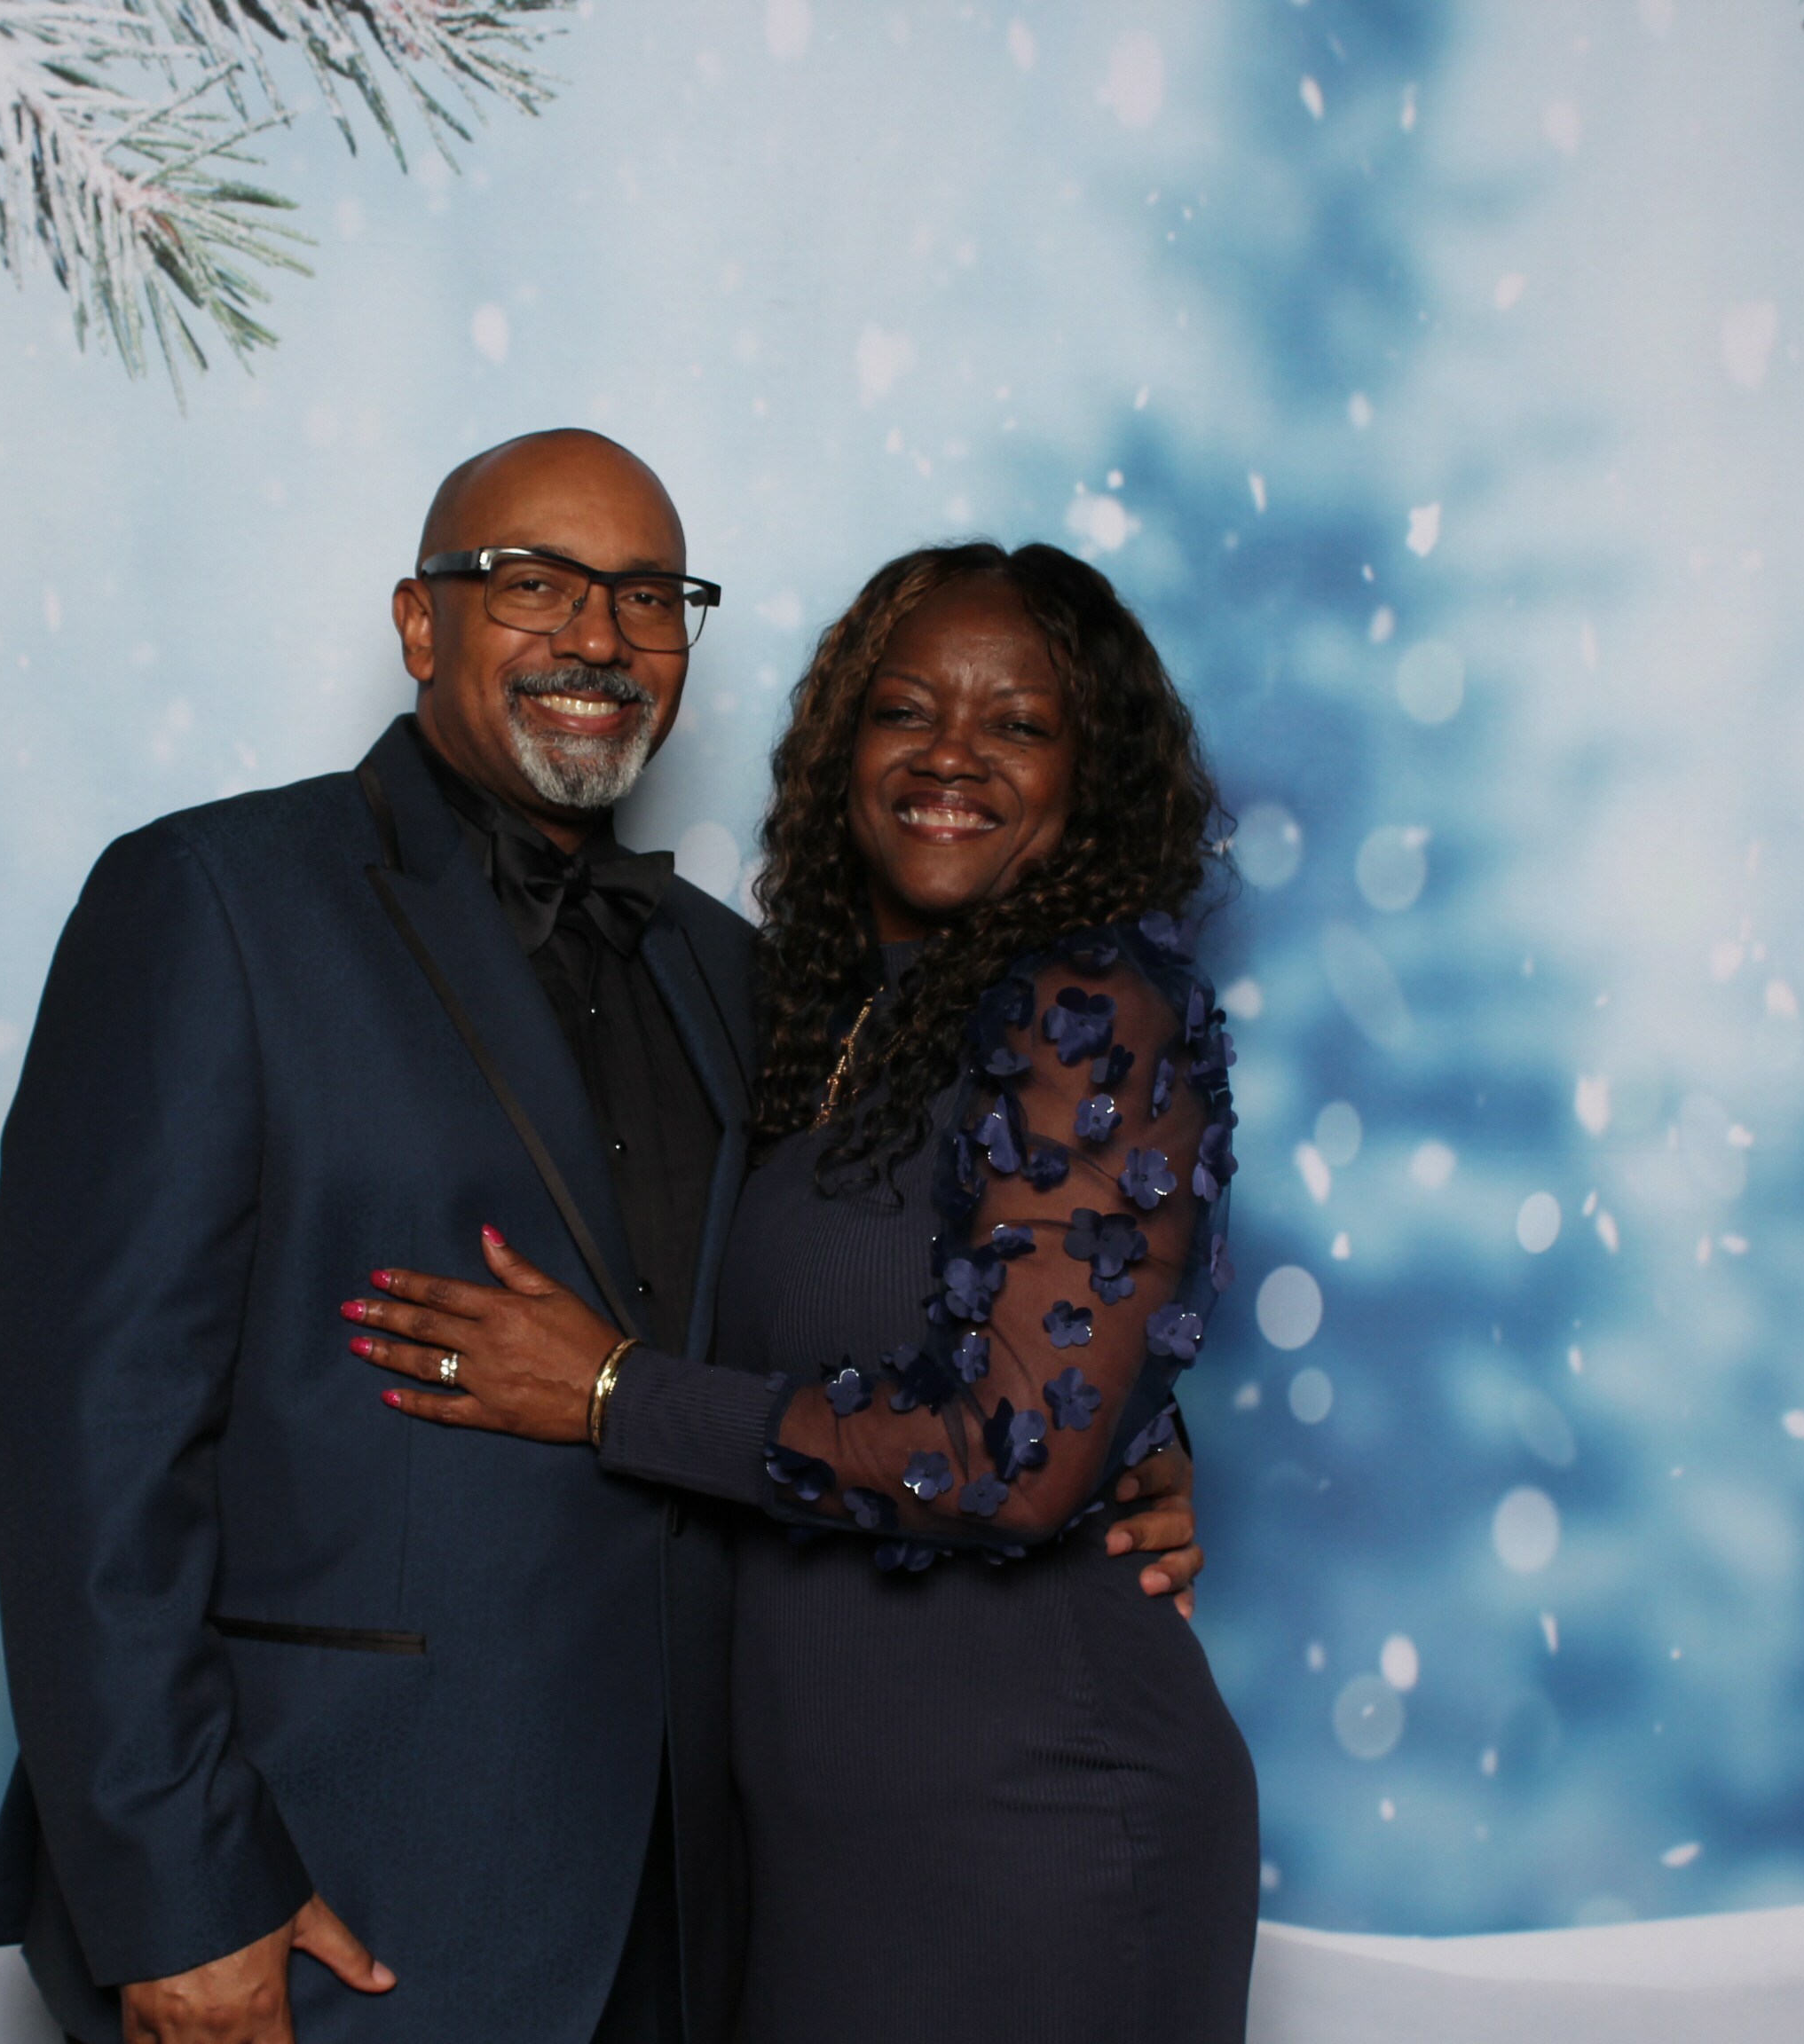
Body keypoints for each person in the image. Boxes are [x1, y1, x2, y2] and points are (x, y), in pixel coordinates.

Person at [0, 440, 1204, 2044]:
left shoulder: (734, 975)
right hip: (342, 1880)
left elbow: (909, 1303)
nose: (598, 637)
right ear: (421, 622)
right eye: (533, 583)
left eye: (646, 597)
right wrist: (176, 1887)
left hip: (703, 1905)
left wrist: (1117, 1440)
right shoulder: (214, 900)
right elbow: (81, 1438)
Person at [348, 540, 1262, 2043]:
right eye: (906, 711)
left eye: (1019, 723)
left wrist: (610, 1393)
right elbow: (966, 1328)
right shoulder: (820, 1017)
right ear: (844, 748)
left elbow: (1013, 1458)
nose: (952, 755)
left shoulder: (1090, 1005)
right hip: (814, 1839)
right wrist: (1136, 1430)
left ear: (1091, 775)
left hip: (1032, 1832)